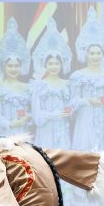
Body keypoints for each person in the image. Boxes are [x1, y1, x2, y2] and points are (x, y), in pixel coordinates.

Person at [69, 7, 104, 206]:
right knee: (86, 155)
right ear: (85, 53)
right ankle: (85, 198)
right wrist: (86, 100)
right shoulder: (78, 75)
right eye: (92, 52)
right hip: (86, 120)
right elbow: (72, 103)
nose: (95, 55)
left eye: (98, 52)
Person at [31, 18, 74, 150]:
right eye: (50, 63)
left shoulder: (67, 84)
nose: (54, 66)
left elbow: (72, 108)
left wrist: (70, 112)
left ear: (61, 65)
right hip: (46, 131)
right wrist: (53, 115)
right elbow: (37, 116)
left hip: (63, 130)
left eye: (57, 63)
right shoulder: (39, 85)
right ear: (45, 64)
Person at [0, 17, 34, 138]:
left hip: (25, 134)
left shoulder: (29, 88)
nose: (13, 69)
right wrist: (11, 124)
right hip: (5, 135)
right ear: (4, 66)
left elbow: (34, 111)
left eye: (16, 66)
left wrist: (28, 116)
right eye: (10, 66)